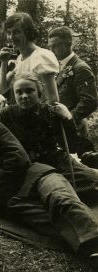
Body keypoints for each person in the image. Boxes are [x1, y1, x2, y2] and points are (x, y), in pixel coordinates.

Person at [0, 95, 98, 269]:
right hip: (12, 199)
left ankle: (94, 245)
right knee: (46, 221)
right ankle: (88, 247)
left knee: (62, 200)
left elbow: (19, 158)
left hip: (36, 176)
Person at [0, 72, 98, 201]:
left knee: (91, 179)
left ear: (39, 93)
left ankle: (53, 193)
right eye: (19, 92)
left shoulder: (50, 112)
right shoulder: (6, 114)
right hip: (27, 166)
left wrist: (68, 118)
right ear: (14, 94)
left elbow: (71, 147)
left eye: (29, 91)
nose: (24, 96)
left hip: (56, 162)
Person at [48, 26, 98, 167]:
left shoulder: (80, 68)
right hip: (58, 131)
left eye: (55, 46)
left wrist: (69, 119)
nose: (52, 50)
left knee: (77, 169)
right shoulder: (58, 67)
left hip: (72, 132)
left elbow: (90, 101)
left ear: (68, 43)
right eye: (50, 46)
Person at [0, 12, 59, 104]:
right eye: (9, 33)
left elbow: (53, 99)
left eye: (17, 32)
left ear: (28, 32)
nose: (11, 37)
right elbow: (1, 89)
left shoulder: (41, 56)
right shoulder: (20, 59)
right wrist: (4, 61)